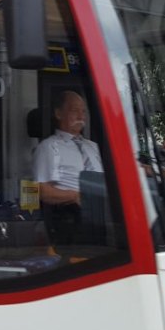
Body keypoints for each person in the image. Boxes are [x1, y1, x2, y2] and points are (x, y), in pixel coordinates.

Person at [33, 91, 104, 246]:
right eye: (74, 110)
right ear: (58, 113)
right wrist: (75, 196)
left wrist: (158, 171)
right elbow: (40, 190)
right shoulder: (49, 147)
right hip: (74, 217)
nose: (81, 115)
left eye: (83, 111)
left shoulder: (93, 147)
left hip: (104, 214)